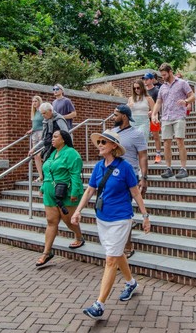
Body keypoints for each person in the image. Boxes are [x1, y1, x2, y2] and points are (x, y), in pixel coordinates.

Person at [71, 130, 151, 319]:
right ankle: (131, 283)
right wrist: (78, 210)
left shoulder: (125, 168)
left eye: (103, 142)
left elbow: (136, 193)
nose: (99, 144)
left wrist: (145, 216)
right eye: (98, 142)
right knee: (116, 253)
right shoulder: (98, 167)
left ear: (114, 146)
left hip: (121, 218)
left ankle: (99, 305)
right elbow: (90, 190)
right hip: (102, 218)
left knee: (110, 259)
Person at [36, 130, 85, 267]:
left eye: (56, 137)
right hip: (49, 193)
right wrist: (42, 188)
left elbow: (75, 174)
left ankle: (79, 237)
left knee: (68, 220)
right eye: (52, 137)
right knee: (51, 221)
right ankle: (46, 253)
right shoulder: (51, 153)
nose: (52, 139)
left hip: (66, 192)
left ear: (63, 139)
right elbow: (47, 173)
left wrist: (74, 192)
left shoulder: (71, 153)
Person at [112, 104, 148, 258]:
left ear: (124, 116)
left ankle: (128, 246)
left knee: (124, 211)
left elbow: (143, 156)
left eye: (115, 115)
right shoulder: (111, 132)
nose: (113, 117)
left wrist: (143, 177)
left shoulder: (137, 134)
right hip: (112, 175)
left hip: (129, 175)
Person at [151, 63, 195, 179]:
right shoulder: (162, 87)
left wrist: (186, 101)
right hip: (166, 117)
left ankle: (183, 168)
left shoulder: (182, 83)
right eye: (162, 75)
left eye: (164, 74)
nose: (163, 77)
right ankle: (168, 168)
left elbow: (193, 96)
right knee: (166, 143)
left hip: (179, 116)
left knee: (179, 140)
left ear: (170, 72)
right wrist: (154, 114)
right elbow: (159, 102)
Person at [28, 103, 69, 183]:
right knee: (46, 166)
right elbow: (44, 139)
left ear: (50, 111)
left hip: (60, 148)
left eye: (44, 113)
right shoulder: (45, 121)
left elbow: (66, 134)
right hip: (49, 148)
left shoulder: (59, 119)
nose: (43, 115)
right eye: (42, 113)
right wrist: (34, 148)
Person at [143, 73, 163, 164]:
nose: (145, 81)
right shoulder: (143, 92)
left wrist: (153, 112)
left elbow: (159, 103)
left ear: (151, 80)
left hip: (154, 117)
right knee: (143, 137)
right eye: (144, 79)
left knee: (156, 136)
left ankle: (158, 154)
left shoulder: (156, 91)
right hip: (144, 118)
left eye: (147, 79)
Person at [26, 96, 44, 181]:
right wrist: (31, 129)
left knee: (39, 154)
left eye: (36, 101)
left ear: (39, 101)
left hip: (41, 133)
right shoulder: (34, 112)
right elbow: (35, 124)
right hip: (34, 134)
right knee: (36, 156)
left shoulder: (42, 110)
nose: (34, 103)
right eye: (33, 101)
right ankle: (41, 175)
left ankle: (45, 173)